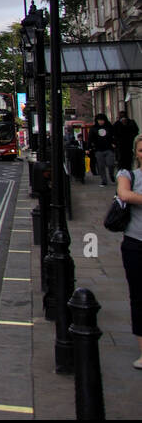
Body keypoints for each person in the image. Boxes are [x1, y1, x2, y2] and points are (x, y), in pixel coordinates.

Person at [114, 138, 142, 369]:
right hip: (136, 244)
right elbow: (124, 195)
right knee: (139, 298)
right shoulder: (128, 175)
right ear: (136, 153)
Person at [90, 113, 116, 187]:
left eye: (102, 120)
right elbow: (90, 138)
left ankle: (111, 174)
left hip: (109, 149)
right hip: (98, 150)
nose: (101, 122)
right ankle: (104, 180)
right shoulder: (94, 128)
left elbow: (114, 136)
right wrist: (88, 147)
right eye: (99, 120)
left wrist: (114, 143)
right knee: (101, 166)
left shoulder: (109, 127)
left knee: (111, 164)